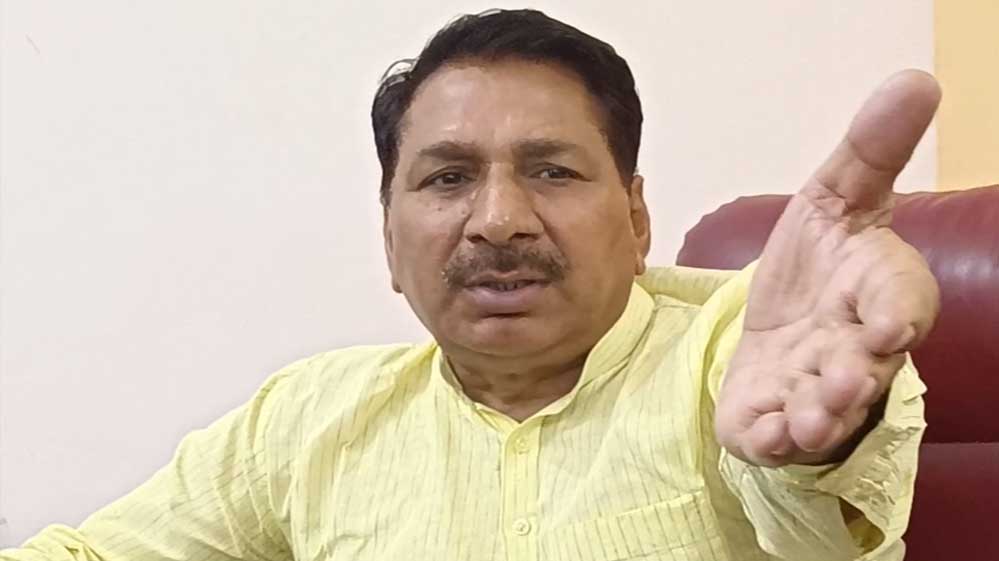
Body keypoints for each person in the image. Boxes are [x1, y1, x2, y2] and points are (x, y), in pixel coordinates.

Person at [1, 9, 940, 561]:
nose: (497, 220)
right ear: (388, 236)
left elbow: (814, 531)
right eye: (448, 177)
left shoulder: (737, 353)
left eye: (551, 170)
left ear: (636, 217)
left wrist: (815, 447)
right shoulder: (306, 420)